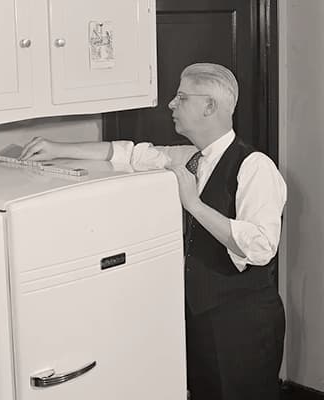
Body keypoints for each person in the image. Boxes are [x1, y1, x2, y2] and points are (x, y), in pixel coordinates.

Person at [19, 63, 286, 400]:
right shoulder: (190, 157)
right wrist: (57, 148)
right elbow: (128, 154)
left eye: (182, 97)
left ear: (209, 106)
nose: (171, 104)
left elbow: (261, 246)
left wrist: (194, 205)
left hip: (243, 324)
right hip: (200, 318)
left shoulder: (256, 166)